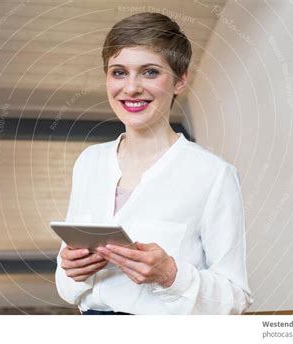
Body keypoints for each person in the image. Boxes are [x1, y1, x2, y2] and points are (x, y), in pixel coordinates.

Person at [55, 12, 254, 315]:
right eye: (119, 72)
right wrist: (71, 269)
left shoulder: (213, 175)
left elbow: (235, 299)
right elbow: (66, 286)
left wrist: (170, 275)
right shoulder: (89, 163)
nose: (131, 88)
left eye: (149, 72)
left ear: (180, 80)